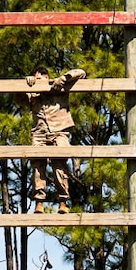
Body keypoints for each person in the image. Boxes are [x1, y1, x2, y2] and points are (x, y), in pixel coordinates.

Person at [27, 68, 86, 212]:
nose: (37, 80)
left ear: (46, 77)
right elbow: (18, 100)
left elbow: (82, 73)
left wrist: (64, 78)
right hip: (39, 133)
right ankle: (39, 202)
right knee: (37, 165)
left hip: (60, 131)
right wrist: (25, 84)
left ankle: (63, 202)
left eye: (39, 77)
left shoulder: (59, 86)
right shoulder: (32, 92)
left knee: (59, 164)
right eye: (35, 77)